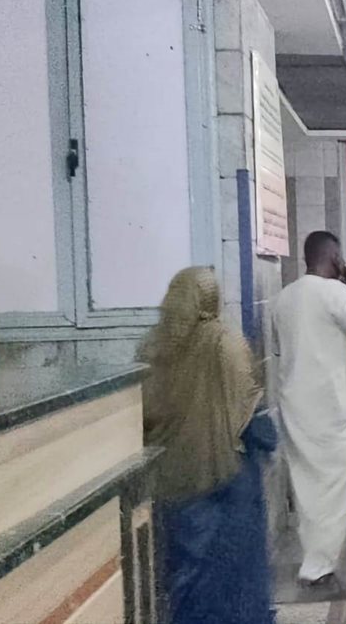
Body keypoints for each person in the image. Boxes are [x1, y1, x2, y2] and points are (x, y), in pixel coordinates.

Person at [139, 267, 273, 624]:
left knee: (185, 572)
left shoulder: (153, 345)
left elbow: (146, 411)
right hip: (228, 477)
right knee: (235, 571)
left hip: (174, 480)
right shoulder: (225, 341)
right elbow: (248, 404)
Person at [272, 231, 346, 593]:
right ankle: (322, 566)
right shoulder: (336, 293)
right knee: (337, 489)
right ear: (334, 256)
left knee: (308, 488)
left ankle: (316, 559)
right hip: (333, 407)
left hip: (295, 406)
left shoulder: (284, 297)